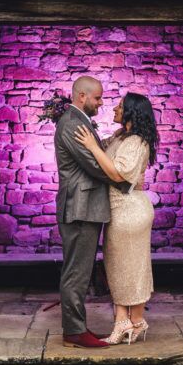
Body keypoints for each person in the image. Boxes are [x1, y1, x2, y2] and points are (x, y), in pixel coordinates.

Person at [74, 92, 158, 345]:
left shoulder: (137, 141)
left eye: (120, 106)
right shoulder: (122, 136)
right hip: (118, 209)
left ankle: (136, 320)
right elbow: (102, 152)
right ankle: (123, 322)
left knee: (132, 266)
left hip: (130, 210)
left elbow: (118, 173)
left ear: (131, 111)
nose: (113, 109)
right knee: (117, 265)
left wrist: (91, 146)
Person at [54, 76, 131, 349]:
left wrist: (118, 138)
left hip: (85, 207)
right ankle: (74, 332)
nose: (101, 103)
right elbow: (96, 166)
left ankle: (76, 327)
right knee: (77, 272)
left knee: (80, 270)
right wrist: (124, 176)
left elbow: (97, 153)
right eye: (97, 98)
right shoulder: (73, 124)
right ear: (81, 97)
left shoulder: (80, 122)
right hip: (80, 208)